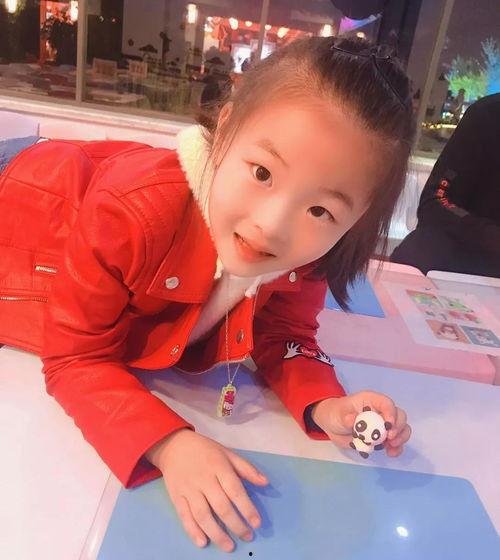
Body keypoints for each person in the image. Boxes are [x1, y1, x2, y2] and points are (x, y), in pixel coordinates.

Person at [0, 37, 414, 553]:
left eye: (320, 210)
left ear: (358, 220)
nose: (271, 226)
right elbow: (75, 356)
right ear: (225, 129)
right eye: (262, 173)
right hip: (21, 192)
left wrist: (329, 406)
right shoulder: (131, 211)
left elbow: (285, 334)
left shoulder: (307, 256)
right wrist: (170, 444)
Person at [391, 93, 500, 277]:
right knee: (420, 249)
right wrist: (490, 236)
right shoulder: (487, 116)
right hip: (466, 257)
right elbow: (435, 200)